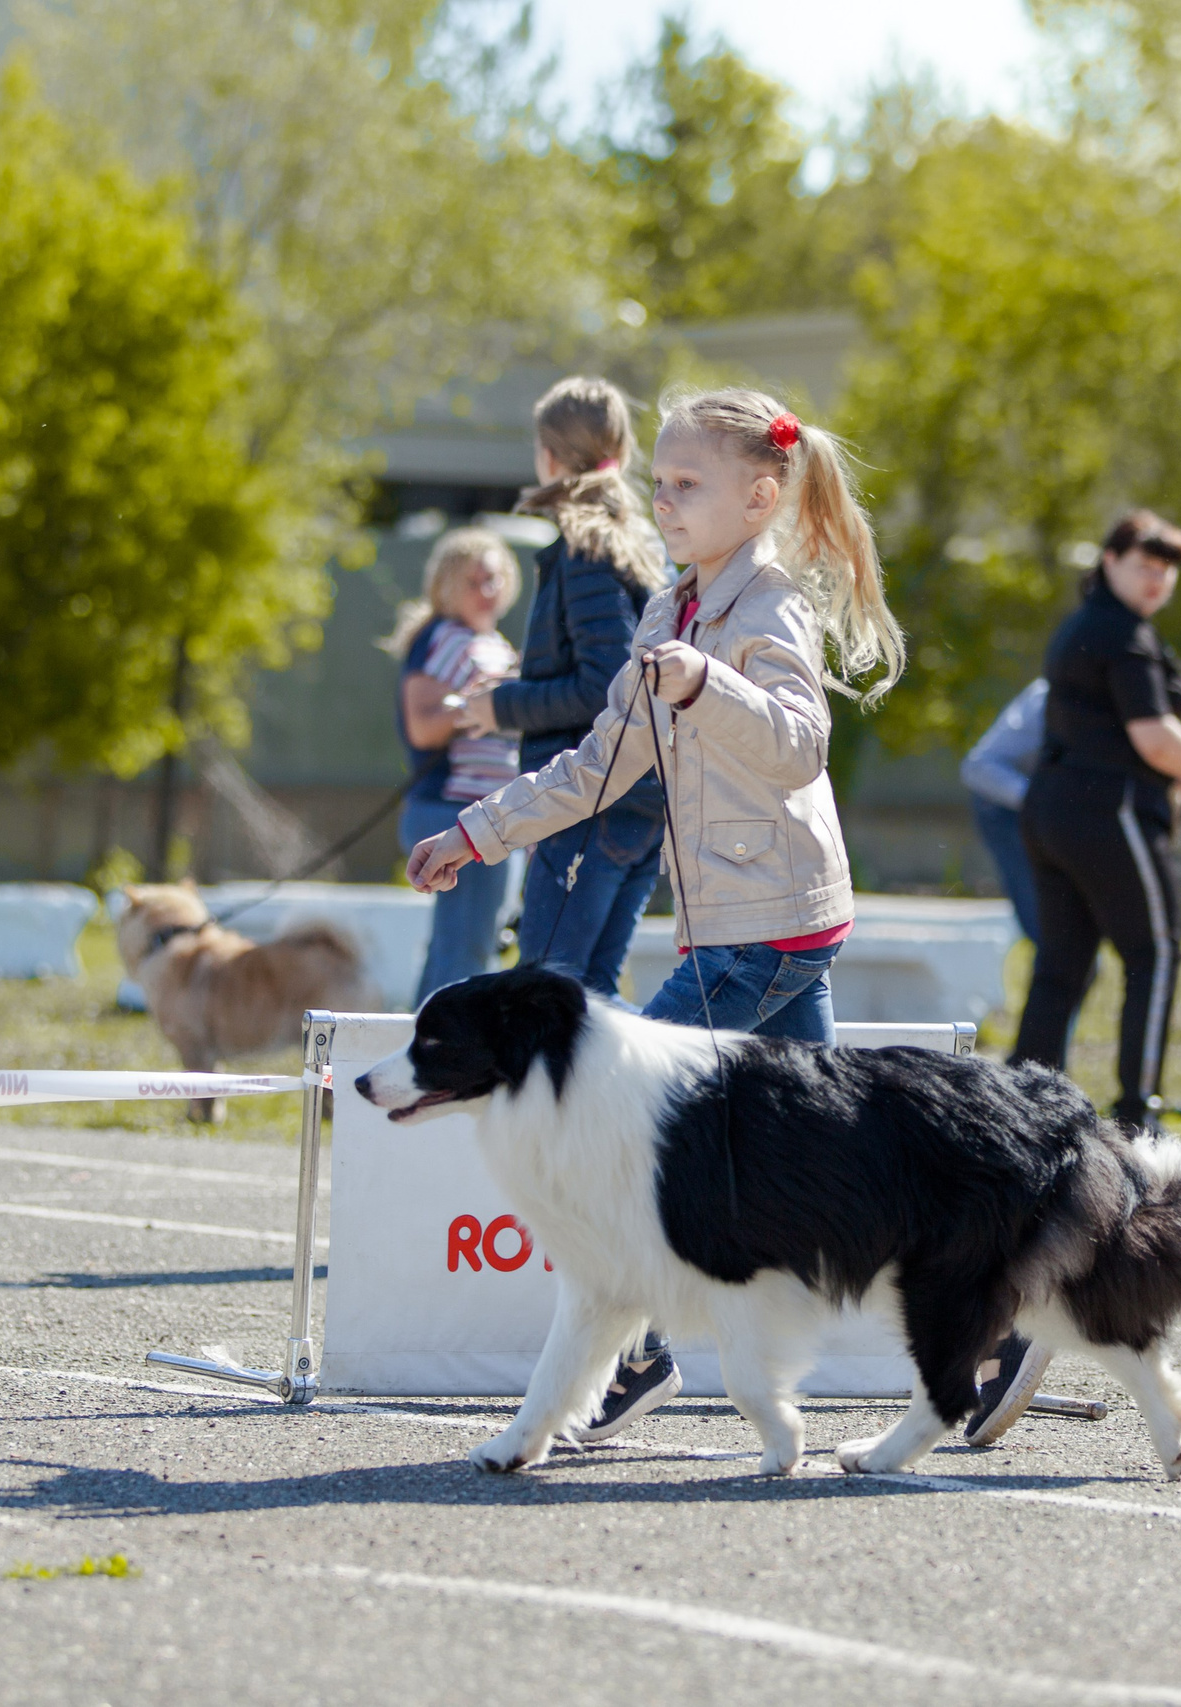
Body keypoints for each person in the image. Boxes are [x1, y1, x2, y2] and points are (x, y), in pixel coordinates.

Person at [408, 385, 904, 1440]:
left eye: (687, 486)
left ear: (761, 498)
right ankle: (990, 1334)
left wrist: (701, 689)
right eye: (660, 483)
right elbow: (595, 766)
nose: (663, 502)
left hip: (763, 930)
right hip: (750, 924)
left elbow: (798, 746)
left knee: (619, 1111)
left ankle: (627, 1355)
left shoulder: (767, 609)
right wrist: (475, 831)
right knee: (842, 1159)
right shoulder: (669, 607)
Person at [1009, 510, 1181, 1133]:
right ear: (1109, 562)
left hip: (1053, 806)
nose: (1157, 579)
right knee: (1154, 952)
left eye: (1166, 570)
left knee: (1063, 964)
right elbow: (1154, 736)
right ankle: (1140, 1115)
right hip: (1108, 809)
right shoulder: (1126, 635)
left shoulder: (1086, 626)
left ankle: (1020, 1103)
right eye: (1145, 565)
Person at [454, 377, 671, 997]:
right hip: (640, 801)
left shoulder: (585, 546)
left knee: (545, 994)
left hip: (585, 801)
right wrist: (525, 680)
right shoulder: (642, 542)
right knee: (591, 996)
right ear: (622, 454)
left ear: (548, 456)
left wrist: (500, 705)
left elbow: (607, 685)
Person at [383, 527, 523, 1005]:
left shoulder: (489, 640)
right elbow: (422, 727)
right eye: (474, 580)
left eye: (495, 578)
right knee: (464, 952)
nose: (488, 590)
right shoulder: (442, 637)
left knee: (460, 947)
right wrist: (481, 698)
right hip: (454, 811)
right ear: (446, 584)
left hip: (481, 813)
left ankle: (425, 1053)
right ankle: (442, 1063)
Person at [959, 677, 1047, 941]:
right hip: (1004, 807)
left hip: (1046, 810)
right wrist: (1041, 801)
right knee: (1040, 906)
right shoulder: (1045, 697)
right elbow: (978, 766)